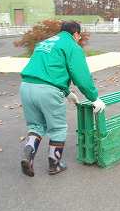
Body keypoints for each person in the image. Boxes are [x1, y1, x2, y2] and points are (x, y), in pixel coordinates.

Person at [19, 21, 105, 177]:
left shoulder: (45, 43)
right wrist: (94, 98)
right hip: (48, 91)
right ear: (76, 34)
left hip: (26, 86)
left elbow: (48, 69)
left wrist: (66, 92)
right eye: (79, 36)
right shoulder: (72, 46)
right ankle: (54, 164)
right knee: (58, 128)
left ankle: (28, 154)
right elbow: (81, 76)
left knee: (36, 126)